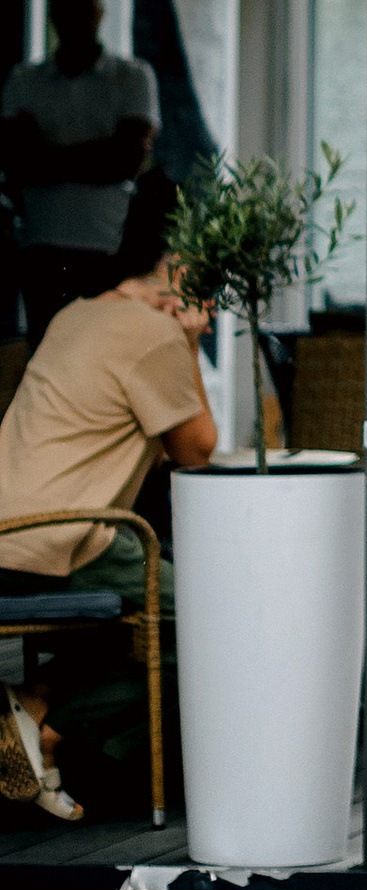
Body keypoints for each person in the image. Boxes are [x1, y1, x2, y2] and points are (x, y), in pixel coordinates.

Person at [0, 169, 214, 812]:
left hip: (7, 531)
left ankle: (40, 725)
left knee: (142, 619)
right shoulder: (156, 333)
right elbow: (198, 454)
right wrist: (191, 341)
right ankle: (43, 720)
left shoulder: (76, 314)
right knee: (215, 619)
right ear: (186, 257)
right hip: (62, 532)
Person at [2, 0, 159, 348]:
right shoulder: (25, 80)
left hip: (109, 245)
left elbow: (125, 160)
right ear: (53, 14)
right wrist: (97, 154)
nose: (77, 19)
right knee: (48, 356)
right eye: (67, 10)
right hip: (42, 245)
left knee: (106, 355)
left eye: (85, 9)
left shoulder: (130, 77)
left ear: (100, 12)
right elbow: (18, 162)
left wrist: (48, 158)